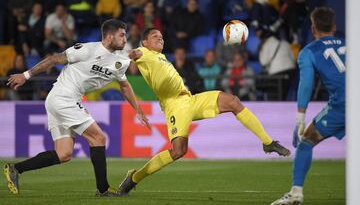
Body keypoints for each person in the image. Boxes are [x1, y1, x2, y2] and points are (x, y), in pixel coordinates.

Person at [118, 28, 290, 195]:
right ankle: (134, 177)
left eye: (162, 36)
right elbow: (130, 54)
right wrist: (116, 58)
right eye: (155, 36)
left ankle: (268, 142)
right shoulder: (143, 52)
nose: (160, 38)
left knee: (233, 101)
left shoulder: (161, 57)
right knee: (178, 151)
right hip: (175, 105)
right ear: (145, 42)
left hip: (190, 99)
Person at [4, 19, 150, 196]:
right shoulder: (87, 49)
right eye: (121, 35)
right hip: (62, 98)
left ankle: (15, 169)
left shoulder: (120, 60)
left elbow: (125, 86)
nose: (125, 39)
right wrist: (25, 75)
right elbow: (53, 59)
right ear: (110, 36)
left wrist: (138, 110)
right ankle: (103, 189)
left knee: (63, 154)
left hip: (65, 101)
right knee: (98, 138)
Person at [271, 7, 345, 205]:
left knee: (306, 140)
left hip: (342, 107)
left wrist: (300, 120)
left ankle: (296, 194)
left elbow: (306, 85)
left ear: (313, 29)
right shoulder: (351, 44)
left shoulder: (309, 51)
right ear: (335, 27)